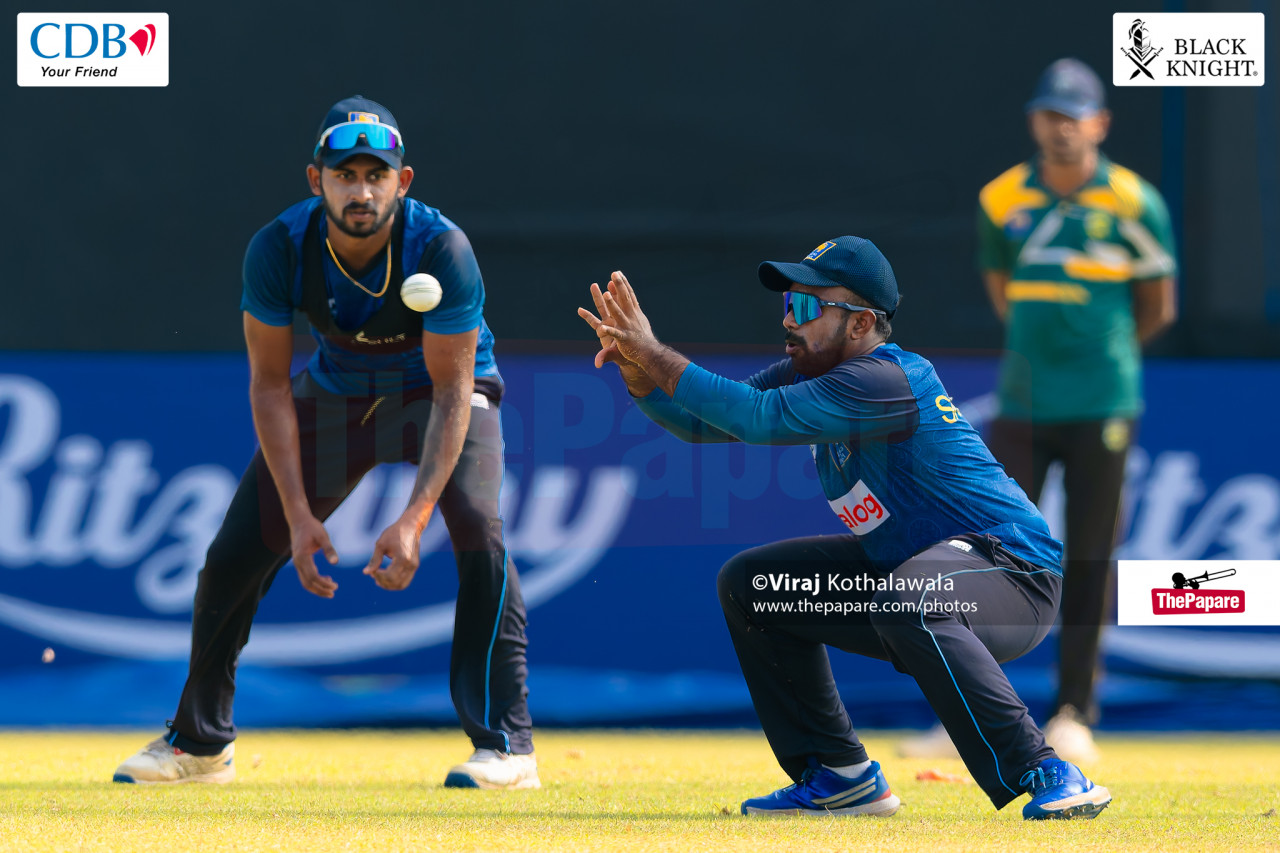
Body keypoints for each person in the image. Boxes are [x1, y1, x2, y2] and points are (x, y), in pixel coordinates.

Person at [577, 237, 1111, 820]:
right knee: (755, 586)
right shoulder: (819, 373)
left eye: (807, 308)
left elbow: (753, 417)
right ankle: (839, 775)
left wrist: (654, 351)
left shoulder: (881, 380)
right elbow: (707, 425)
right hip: (908, 578)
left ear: (860, 323)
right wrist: (638, 377)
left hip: (1013, 576)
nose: (788, 320)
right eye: (787, 304)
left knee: (910, 596)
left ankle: (1047, 768)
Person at [113, 96, 537, 790]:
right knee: (233, 555)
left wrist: (413, 516)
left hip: (441, 393)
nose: (361, 190)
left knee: (479, 535)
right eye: (345, 175)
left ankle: (506, 747)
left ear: (403, 182)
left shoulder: (441, 249)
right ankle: (199, 744)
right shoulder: (279, 248)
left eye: (377, 175)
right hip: (339, 395)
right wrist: (299, 516)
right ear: (317, 181)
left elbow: (454, 390)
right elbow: (270, 385)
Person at [905, 59, 1178, 764]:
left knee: (1090, 555)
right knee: (989, 551)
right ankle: (970, 708)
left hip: (1102, 404)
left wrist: (1099, 353)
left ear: (1100, 123)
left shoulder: (1134, 201)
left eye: (1074, 114)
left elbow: (1157, 305)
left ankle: (1073, 712)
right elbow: (1004, 292)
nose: (1060, 127)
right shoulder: (1001, 200)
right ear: (1034, 120)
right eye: (1049, 113)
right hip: (1025, 402)